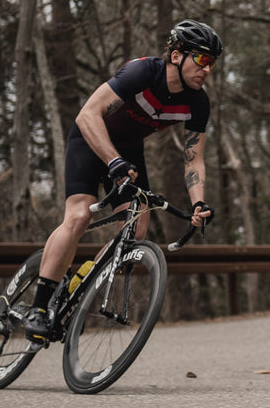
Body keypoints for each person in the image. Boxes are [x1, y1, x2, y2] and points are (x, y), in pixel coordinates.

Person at [22, 19, 222, 342]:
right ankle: (39, 307)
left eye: (212, 62)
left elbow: (193, 158)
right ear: (176, 56)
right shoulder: (143, 73)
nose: (207, 69)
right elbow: (87, 114)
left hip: (127, 151)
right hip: (90, 140)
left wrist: (198, 201)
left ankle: (77, 287)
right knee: (79, 216)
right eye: (201, 59)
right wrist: (112, 160)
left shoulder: (198, 101)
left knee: (135, 230)